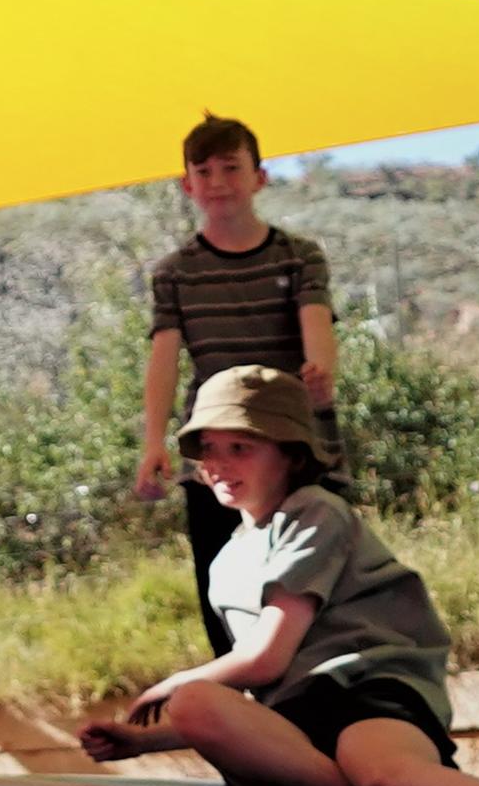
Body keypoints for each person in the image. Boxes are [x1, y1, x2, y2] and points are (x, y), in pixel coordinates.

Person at [81, 366, 479, 786]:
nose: (220, 465)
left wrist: (177, 681)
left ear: (291, 453)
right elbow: (254, 699)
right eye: (210, 452)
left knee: (386, 773)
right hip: (294, 721)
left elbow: (268, 657)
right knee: (203, 705)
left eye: (241, 448)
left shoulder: (315, 512)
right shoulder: (228, 559)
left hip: (367, 692)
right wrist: (144, 741)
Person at [133, 114, 340, 629]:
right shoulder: (175, 272)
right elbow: (164, 357)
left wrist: (319, 379)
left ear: (259, 178)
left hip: (294, 442)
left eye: (231, 167)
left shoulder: (298, 257)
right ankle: (235, 694)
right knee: (222, 586)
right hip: (216, 449)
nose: (218, 182)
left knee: (319, 583)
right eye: (204, 171)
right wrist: (154, 441)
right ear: (187, 185)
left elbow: (317, 331)